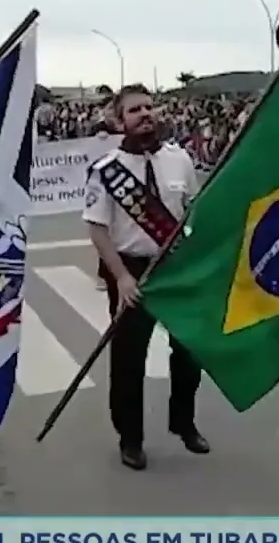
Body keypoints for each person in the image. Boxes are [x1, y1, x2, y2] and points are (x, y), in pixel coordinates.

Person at [82, 84, 207, 471]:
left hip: (175, 267)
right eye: (135, 110)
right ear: (119, 120)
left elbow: (194, 211)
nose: (145, 114)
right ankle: (130, 438)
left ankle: (183, 422)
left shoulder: (180, 159)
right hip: (130, 270)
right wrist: (120, 277)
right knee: (128, 359)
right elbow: (97, 229)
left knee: (188, 352)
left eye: (149, 107)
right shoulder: (105, 171)